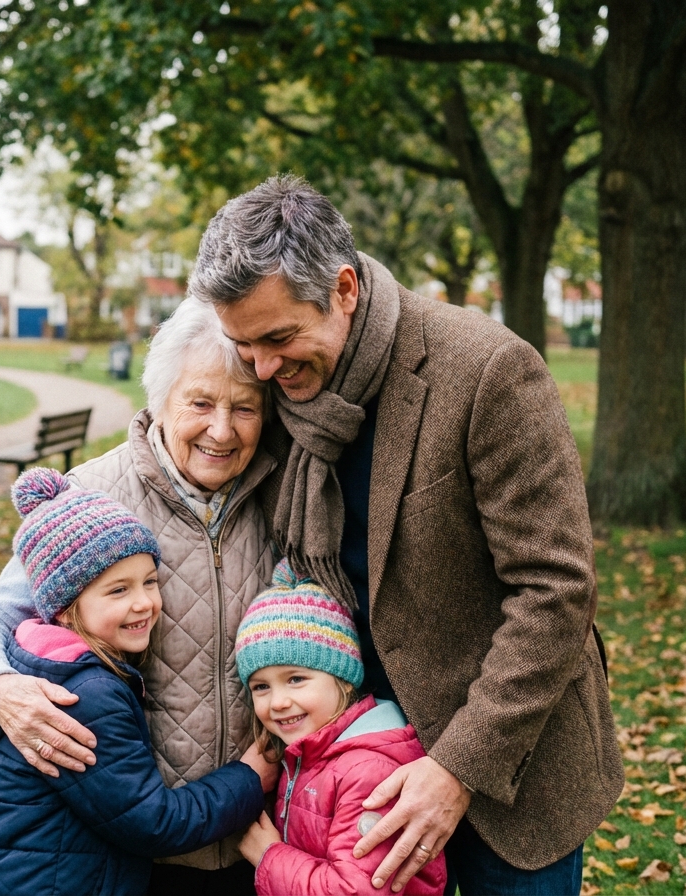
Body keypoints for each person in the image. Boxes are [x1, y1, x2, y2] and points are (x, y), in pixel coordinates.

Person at [186, 175, 624, 895]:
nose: (261, 368)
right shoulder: (277, 386)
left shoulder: (486, 370)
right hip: (351, 766)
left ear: (344, 289)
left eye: (279, 339)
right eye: (244, 345)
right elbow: (169, 463)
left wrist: (457, 769)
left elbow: (556, 591)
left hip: (509, 769)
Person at [0, 298, 278, 893]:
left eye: (245, 408)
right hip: (137, 852)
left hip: (259, 836)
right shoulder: (91, 496)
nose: (222, 429)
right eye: (200, 403)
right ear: (159, 400)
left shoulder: (284, 495)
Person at [0, 468, 274, 896]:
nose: (144, 602)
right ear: (65, 607)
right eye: (118, 590)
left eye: (150, 582)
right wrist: (250, 778)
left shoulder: (43, 661)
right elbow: (153, 823)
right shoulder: (83, 696)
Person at [234, 559, 447, 896]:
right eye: (261, 686)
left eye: (296, 679)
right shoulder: (306, 755)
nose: (278, 702)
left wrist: (268, 857)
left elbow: (356, 890)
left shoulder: (369, 772)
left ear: (344, 680)